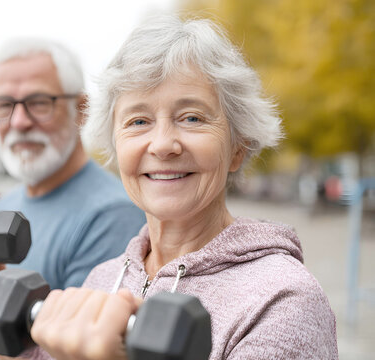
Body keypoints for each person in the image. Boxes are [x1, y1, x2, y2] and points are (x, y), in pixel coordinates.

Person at [24, 15, 339, 359]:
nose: (162, 145)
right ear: (115, 148)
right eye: (138, 121)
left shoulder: (282, 299)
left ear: (238, 148)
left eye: (192, 117)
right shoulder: (103, 277)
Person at [0, 38, 146, 359]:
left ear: (81, 110)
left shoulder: (114, 214)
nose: (19, 122)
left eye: (39, 101)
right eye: (4, 105)